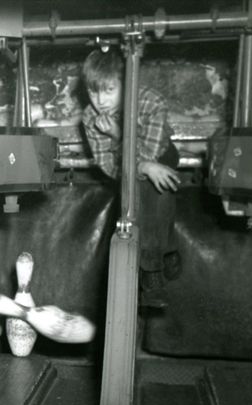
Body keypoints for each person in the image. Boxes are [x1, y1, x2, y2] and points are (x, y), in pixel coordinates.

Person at [81, 48, 182, 308]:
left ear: (125, 84)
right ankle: (162, 257)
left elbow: (152, 153)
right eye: (94, 91)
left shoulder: (151, 102)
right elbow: (109, 168)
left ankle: (155, 267)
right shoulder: (90, 117)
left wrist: (119, 134)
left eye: (109, 90)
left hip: (162, 155)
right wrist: (135, 158)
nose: (100, 100)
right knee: (139, 191)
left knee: (152, 190)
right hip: (126, 165)